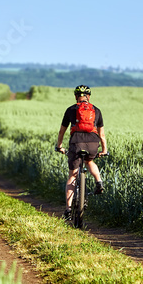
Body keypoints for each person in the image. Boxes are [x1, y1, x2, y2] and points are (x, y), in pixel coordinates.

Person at [54, 85, 107, 219]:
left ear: (76, 96)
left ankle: (68, 209)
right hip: (93, 143)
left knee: (72, 176)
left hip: (76, 142)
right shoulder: (96, 110)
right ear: (88, 96)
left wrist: (59, 146)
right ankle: (99, 181)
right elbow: (102, 134)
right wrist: (104, 150)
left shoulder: (71, 110)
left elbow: (62, 131)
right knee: (89, 161)